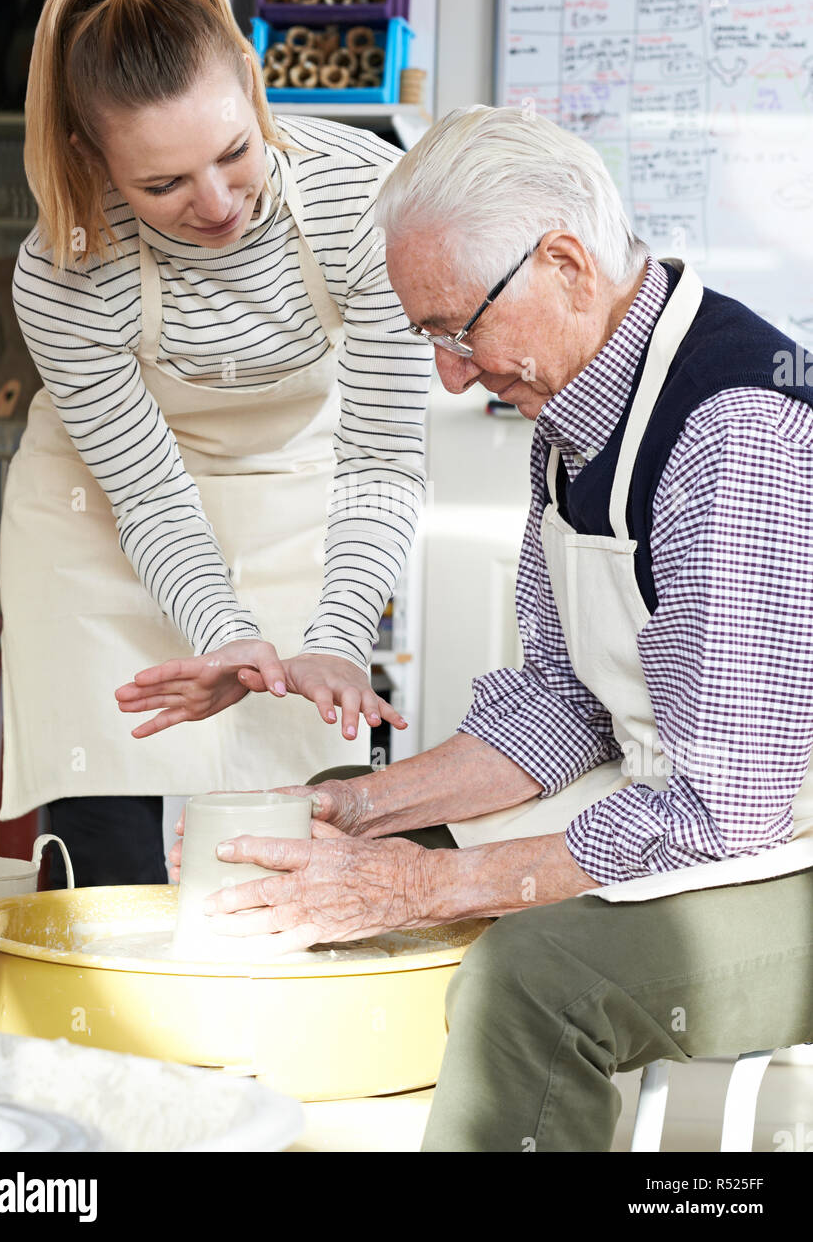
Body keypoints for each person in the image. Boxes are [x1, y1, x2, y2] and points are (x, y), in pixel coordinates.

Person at [170, 106, 813, 1152]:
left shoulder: (734, 431)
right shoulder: (571, 416)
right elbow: (568, 706)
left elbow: (729, 806)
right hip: (697, 799)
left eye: (457, 328)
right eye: (431, 337)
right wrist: (352, 809)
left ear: (563, 263)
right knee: (345, 864)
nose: (452, 376)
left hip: (782, 836)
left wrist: (430, 885)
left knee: (532, 976)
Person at [0, 0, 431, 888]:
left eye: (233, 153)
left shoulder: (364, 198)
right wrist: (222, 631)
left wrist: (337, 632)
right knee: (110, 787)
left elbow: (380, 461)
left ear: (250, 75)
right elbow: (148, 498)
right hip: (100, 518)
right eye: (162, 184)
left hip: (297, 487)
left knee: (298, 777)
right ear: (91, 156)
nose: (218, 203)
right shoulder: (65, 269)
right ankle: (99, 1023)